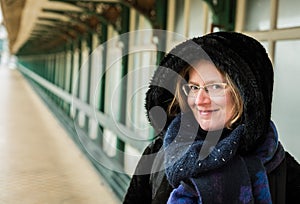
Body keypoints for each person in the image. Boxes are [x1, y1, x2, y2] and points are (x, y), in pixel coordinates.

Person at [123, 31, 300, 204]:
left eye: (215, 87)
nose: (200, 100)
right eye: (193, 87)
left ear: (247, 95)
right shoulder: (159, 154)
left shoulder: (285, 172)